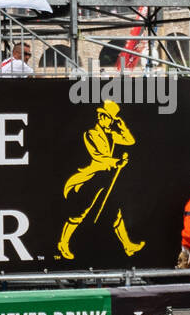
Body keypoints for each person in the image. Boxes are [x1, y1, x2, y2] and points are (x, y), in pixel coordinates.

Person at [57, 100, 143, 260]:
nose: (110, 122)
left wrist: (122, 125)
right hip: (92, 178)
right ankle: (63, 242)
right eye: (109, 118)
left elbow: (130, 140)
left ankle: (127, 245)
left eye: (112, 119)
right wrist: (116, 162)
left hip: (107, 179)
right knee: (80, 213)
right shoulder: (91, 133)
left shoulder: (112, 135)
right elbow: (99, 157)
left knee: (116, 213)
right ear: (102, 117)